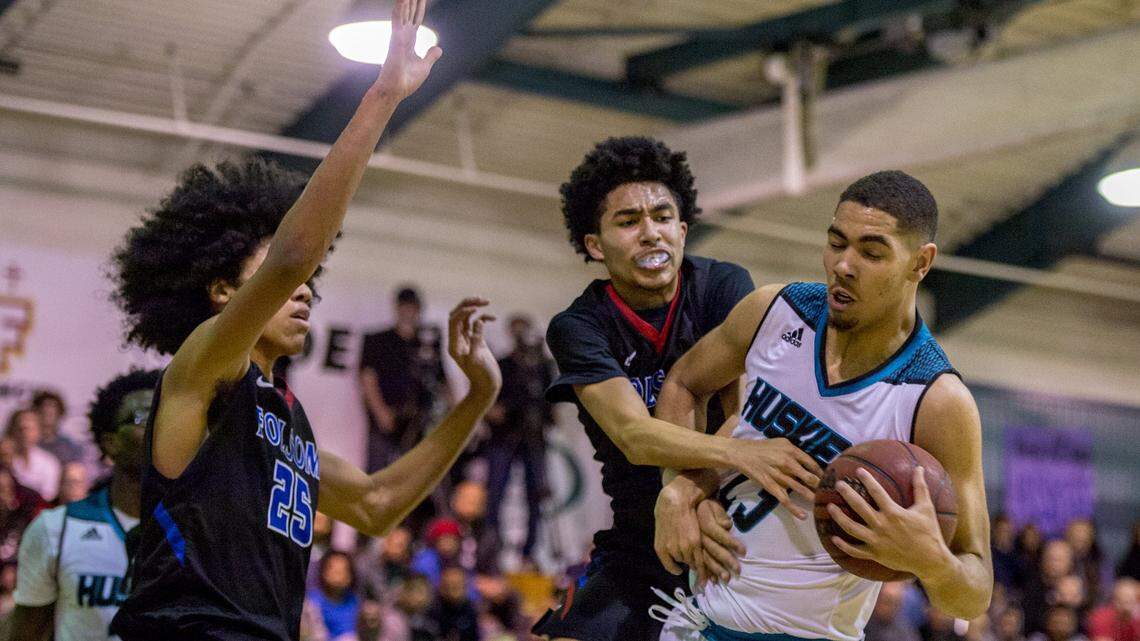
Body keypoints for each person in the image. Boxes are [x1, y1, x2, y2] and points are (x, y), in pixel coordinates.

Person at [105, 4, 501, 639]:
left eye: (312, 284)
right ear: (223, 291)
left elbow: (376, 504)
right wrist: (383, 96)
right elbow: (293, 256)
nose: (305, 290)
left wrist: (479, 395)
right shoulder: (204, 366)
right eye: (278, 279)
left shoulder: (289, 419)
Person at [651, 170, 993, 641]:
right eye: (836, 243)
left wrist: (931, 561)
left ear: (921, 262)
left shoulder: (937, 399)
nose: (843, 265)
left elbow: (975, 593)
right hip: (699, 622)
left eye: (871, 253)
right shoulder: (774, 311)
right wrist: (683, 486)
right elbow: (684, 384)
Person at [532, 136, 822, 641]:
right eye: (629, 222)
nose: (651, 233)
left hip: (731, 526)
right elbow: (635, 436)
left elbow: (744, 408)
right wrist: (734, 457)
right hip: (640, 539)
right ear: (595, 245)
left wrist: (690, 494)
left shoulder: (724, 287)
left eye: (663, 217)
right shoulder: (579, 326)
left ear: (682, 230)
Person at [9, 368, 160, 641]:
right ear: (111, 442)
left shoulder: (198, 530)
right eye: (144, 417)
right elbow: (26, 633)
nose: (159, 427)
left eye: (165, 416)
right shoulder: (56, 529)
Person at [484, 314, 554, 564]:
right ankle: (492, 547)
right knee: (495, 492)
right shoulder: (503, 364)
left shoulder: (542, 366)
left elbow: (550, 401)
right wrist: (497, 411)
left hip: (533, 437)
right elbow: (489, 403)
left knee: (536, 493)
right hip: (504, 437)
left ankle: (530, 552)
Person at [359, 285, 450, 471]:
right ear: (397, 307)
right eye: (405, 306)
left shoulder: (427, 343)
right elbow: (367, 378)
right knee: (377, 472)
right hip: (388, 417)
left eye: (413, 307)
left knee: (415, 473)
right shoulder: (378, 340)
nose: (409, 311)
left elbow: (442, 380)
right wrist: (381, 413)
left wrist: (452, 414)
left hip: (419, 421)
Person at [3, 409, 61, 500]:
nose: (25, 434)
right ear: (12, 431)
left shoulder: (49, 462)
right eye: (21, 429)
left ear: (38, 431)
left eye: (29, 429)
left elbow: (49, 497)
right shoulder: (3, 459)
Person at [31, 391, 86, 466]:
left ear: (59, 414)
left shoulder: (69, 445)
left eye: (52, 409)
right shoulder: (28, 442)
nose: (48, 410)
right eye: (44, 408)